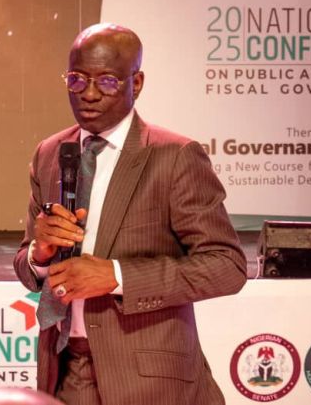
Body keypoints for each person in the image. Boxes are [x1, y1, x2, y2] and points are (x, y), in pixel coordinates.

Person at [14, 23, 247, 405]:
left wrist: (116, 276)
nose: (88, 94)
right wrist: (39, 254)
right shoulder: (50, 153)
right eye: (76, 80)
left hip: (151, 380)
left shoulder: (175, 156)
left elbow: (227, 266)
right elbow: (28, 267)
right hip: (65, 370)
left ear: (135, 84)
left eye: (107, 81)